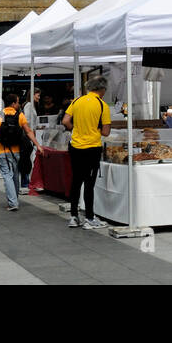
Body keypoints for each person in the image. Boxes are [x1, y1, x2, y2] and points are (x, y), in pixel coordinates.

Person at [63, 78, 111, 229]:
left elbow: (65, 121)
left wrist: (75, 130)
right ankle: (89, 217)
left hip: (75, 146)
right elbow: (106, 131)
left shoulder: (76, 101)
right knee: (89, 183)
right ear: (102, 90)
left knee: (76, 181)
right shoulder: (102, 105)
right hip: (92, 148)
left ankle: (73, 216)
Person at [0, 92, 41, 212]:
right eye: (17, 102)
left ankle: (13, 202)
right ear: (13, 103)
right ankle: (14, 199)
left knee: (7, 176)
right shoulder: (20, 115)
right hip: (17, 150)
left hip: (3, 151)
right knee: (15, 175)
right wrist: (38, 145)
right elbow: (28, 131)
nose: (18, 104)